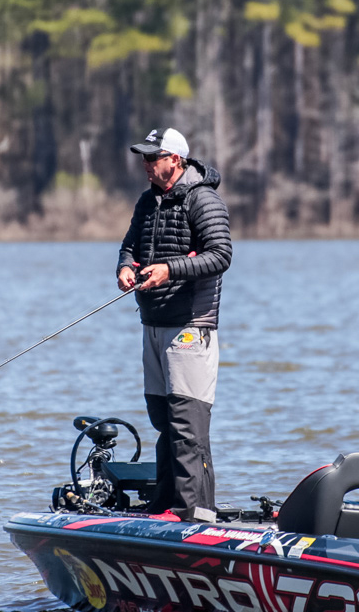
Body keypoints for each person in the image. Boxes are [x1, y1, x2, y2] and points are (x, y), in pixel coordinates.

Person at [116, 127, 232, 520]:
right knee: (163, 420)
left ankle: (192, 510)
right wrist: (125, 268)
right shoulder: (147, 202)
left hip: (190, 325)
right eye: (144, 158)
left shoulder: (204, 200)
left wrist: (170, 269)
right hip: (153, 322)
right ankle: (166, 504)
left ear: (175, 161)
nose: (146, 165)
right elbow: (129, 245)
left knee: (187, 423)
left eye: (153, 158)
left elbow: (220, 256)